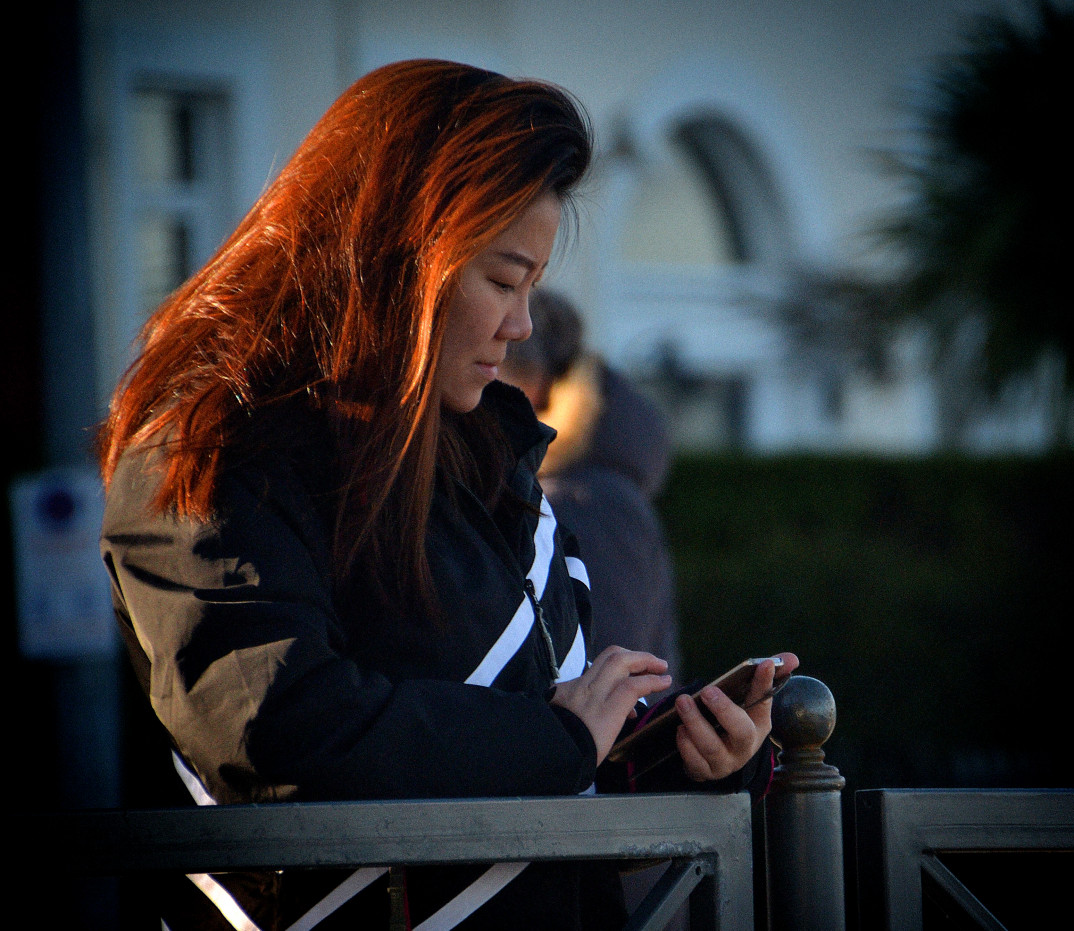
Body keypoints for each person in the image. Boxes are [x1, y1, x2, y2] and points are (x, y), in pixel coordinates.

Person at [98, 59, 795, 931]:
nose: (522, 324)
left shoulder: (487, 454)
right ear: (396, 257)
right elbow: (277, 729)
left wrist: (687, 759)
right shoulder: (206, 448)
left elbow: (548, 762)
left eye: (533, 287)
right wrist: (558, 738)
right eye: (503, 280)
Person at [501, 290, 682, 680]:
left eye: (494, 374)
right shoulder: (579, 487)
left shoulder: (583, 502)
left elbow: (611, 674)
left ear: (536, 387)